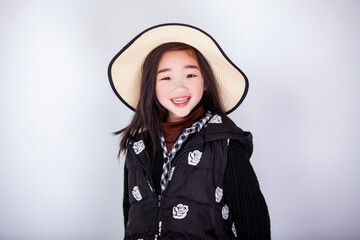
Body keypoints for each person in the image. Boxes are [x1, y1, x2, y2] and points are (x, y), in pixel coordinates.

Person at [108, 23, 270, 240]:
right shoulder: (138, 147)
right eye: (166, 77)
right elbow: (131, 218)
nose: (180, 87)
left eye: (190, 75)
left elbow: (253, 223)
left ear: (205, 82)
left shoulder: (225, 144)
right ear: (151, 86)